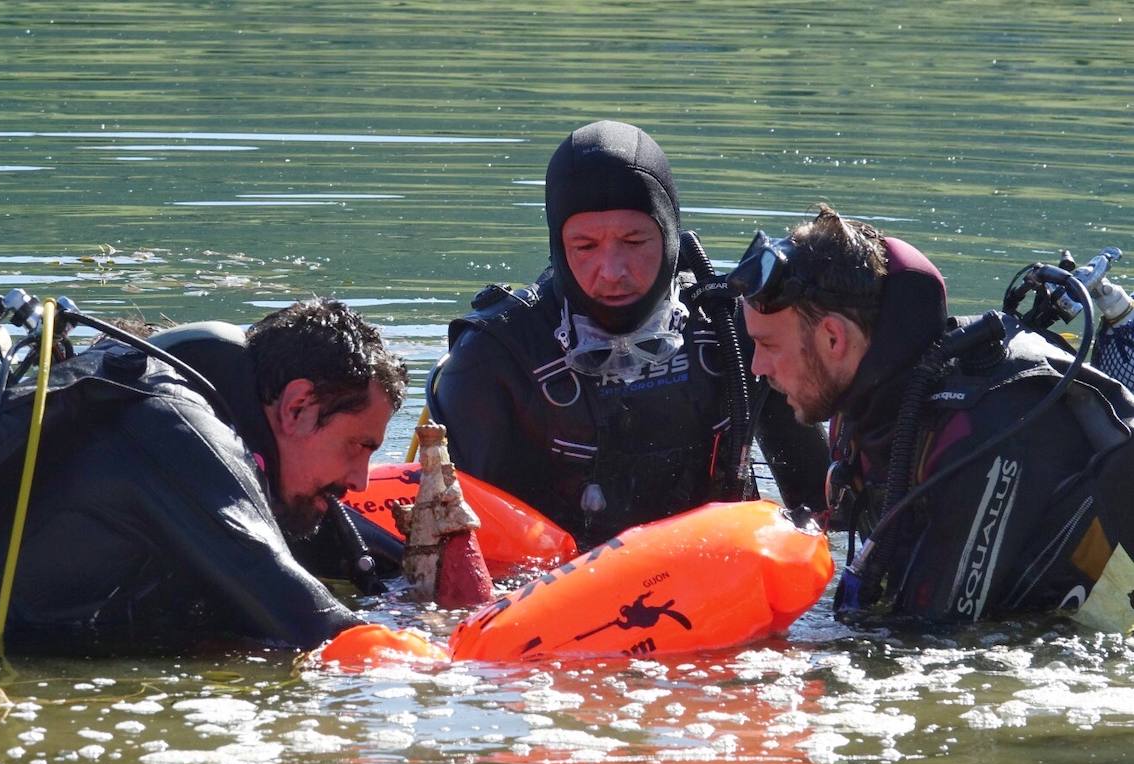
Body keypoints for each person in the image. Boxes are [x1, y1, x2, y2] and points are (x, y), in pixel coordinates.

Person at [0, 298, 407, 649]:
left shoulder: (218, 426)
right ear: (297, 406)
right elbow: (311, 621)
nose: (360, 478)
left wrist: (426, 561)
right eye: (358, 446)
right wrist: (450, 672)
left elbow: (351, 554)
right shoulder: (171, 427)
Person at [429, 120, 828, 548]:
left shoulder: (736, 330)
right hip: (559, 583)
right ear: (558, 245)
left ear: (669, 234)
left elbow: (820, 512)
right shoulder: (492, 360)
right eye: (585, 247)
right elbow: (465, 550)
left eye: (634, 241)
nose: (613, 271)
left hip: (719, 572)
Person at [735, 204, 1134, 624]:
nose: (757, 367)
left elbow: (935, 639)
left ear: (833, 338)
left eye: (769, 345)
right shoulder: (863, 406)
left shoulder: (985, 426)